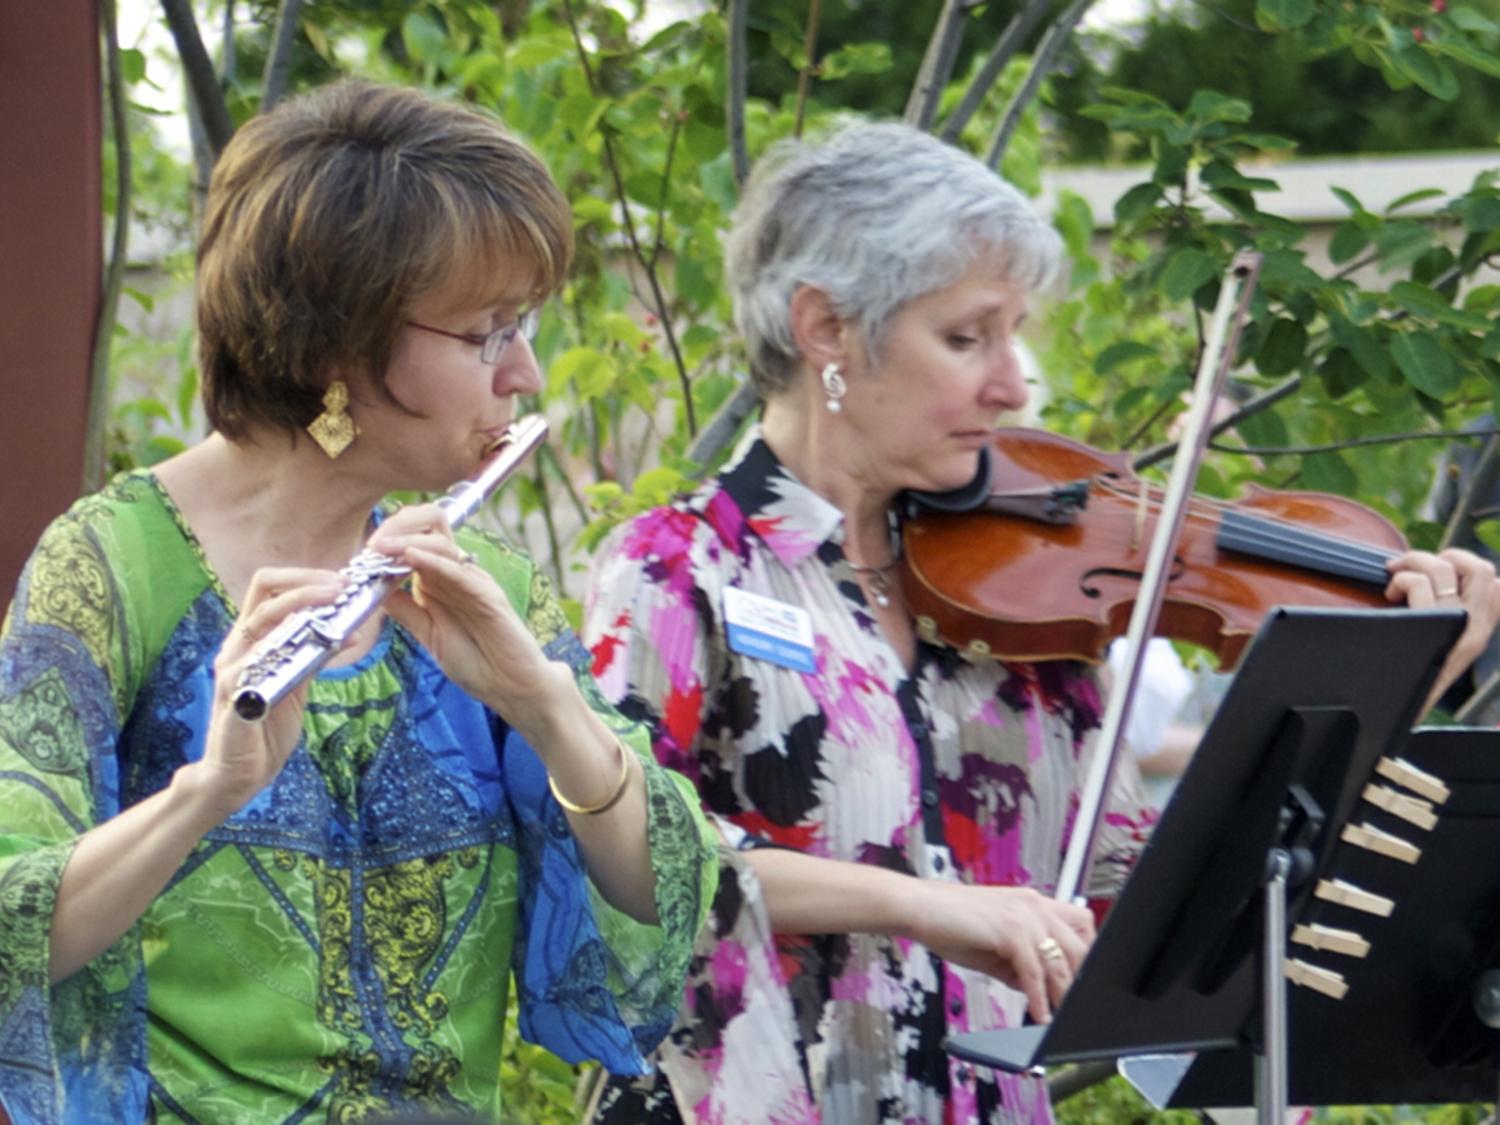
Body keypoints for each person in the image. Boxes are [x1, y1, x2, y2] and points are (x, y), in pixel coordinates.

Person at [580, 121, 1500, 1124]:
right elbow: (632, 865)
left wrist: (1391, 683)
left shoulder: (1021, 601)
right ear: (825, 330)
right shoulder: (678, 571)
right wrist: (925, 905)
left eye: (1013, 335)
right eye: (968, 337)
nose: (1013, 386)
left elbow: (1136, 902)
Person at [0, 81, 716, 1125]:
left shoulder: (485, 584)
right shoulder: (110, 569)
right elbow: (18, 931)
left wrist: (548, 710)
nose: (523, 373)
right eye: (486, 334)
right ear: (338, 349)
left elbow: (663, 899)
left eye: (524, 328)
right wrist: (205, 790)